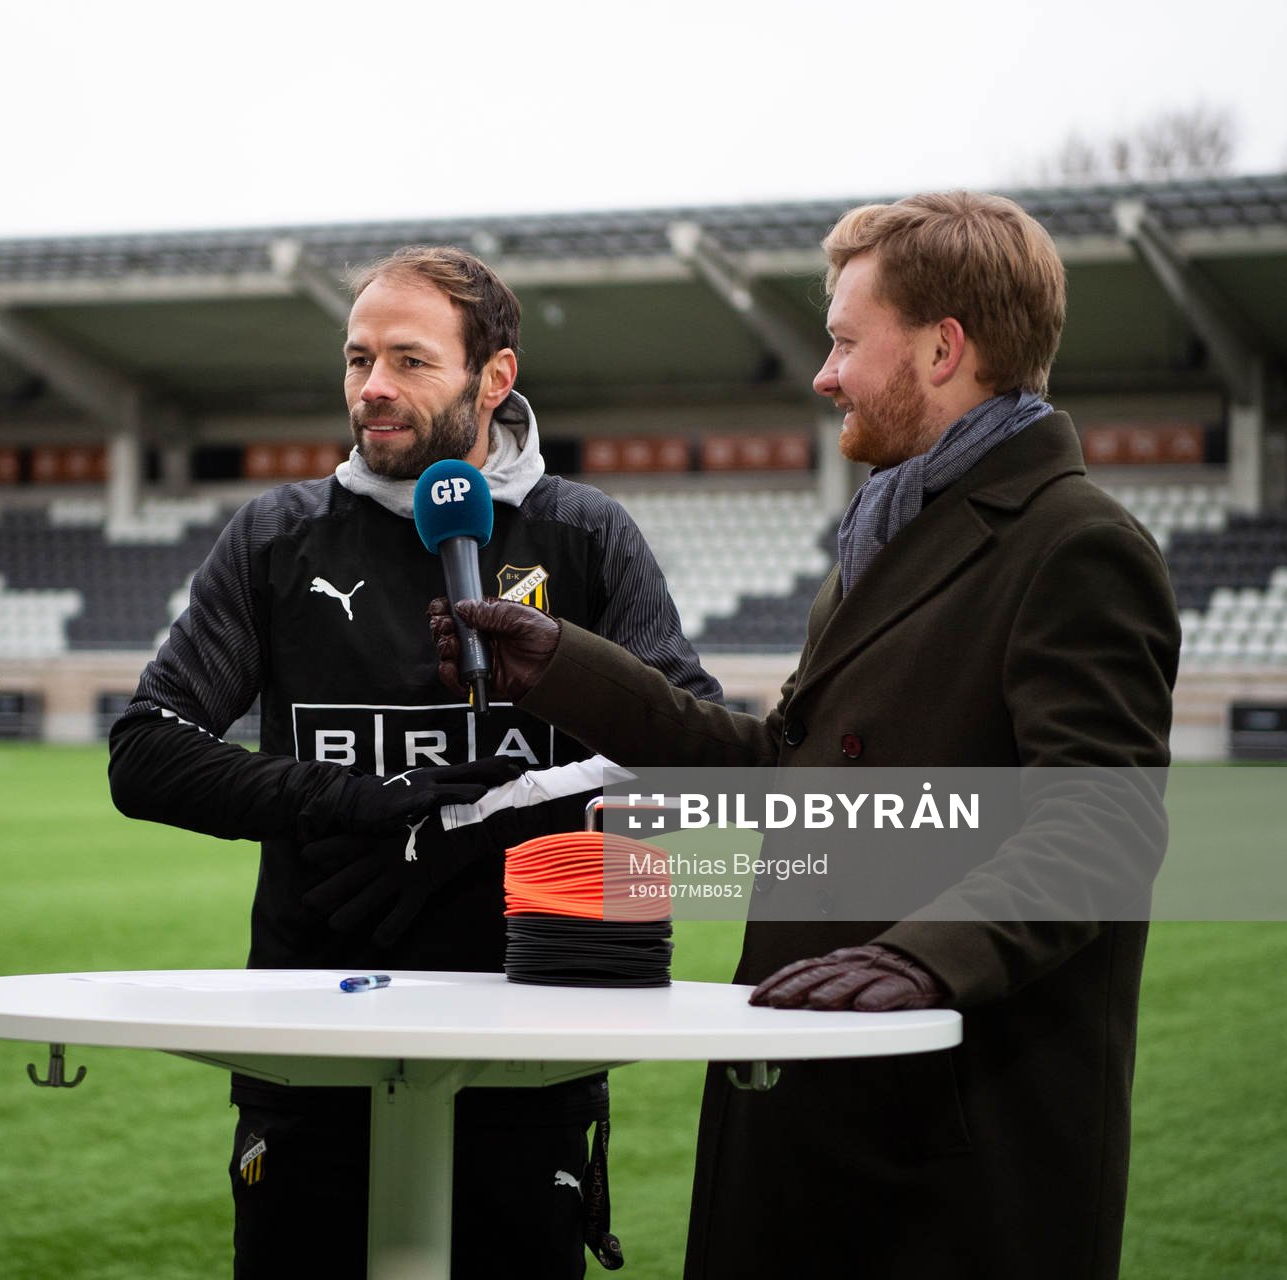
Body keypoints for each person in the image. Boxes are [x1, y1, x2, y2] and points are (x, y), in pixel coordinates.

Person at [433, 192, 1180, 1279]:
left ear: (942, 347)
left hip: (946, 1150)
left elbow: (1100, 824)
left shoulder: (1077, 543)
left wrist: (925, 957)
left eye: (842, 340)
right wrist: (565, 666)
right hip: (807, 1101)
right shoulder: (890, 535)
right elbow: (787, 766)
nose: (824, 373)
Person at [107, 245, 719, 1276]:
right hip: (310, 1051)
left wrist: (488, 829)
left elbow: (693, 754)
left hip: (527, 1052)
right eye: (357, 360)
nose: (372, 388)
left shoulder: (584, 534)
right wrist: (355, 800)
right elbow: (146, 752)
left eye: (408, 360)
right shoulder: (275, 537)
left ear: (495, 378)